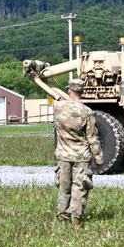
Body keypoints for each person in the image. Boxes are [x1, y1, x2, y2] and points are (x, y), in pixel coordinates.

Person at [53, 78, 103, 228]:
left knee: (64, 186)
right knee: (80, 187)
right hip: (81, 156)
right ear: (82, 92)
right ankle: (76, 219)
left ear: (69, 90)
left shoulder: (58, 107)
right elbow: (92, 137)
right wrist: (99, 158)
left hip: (63, 155)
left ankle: (62, 216)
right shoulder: (86, 112)